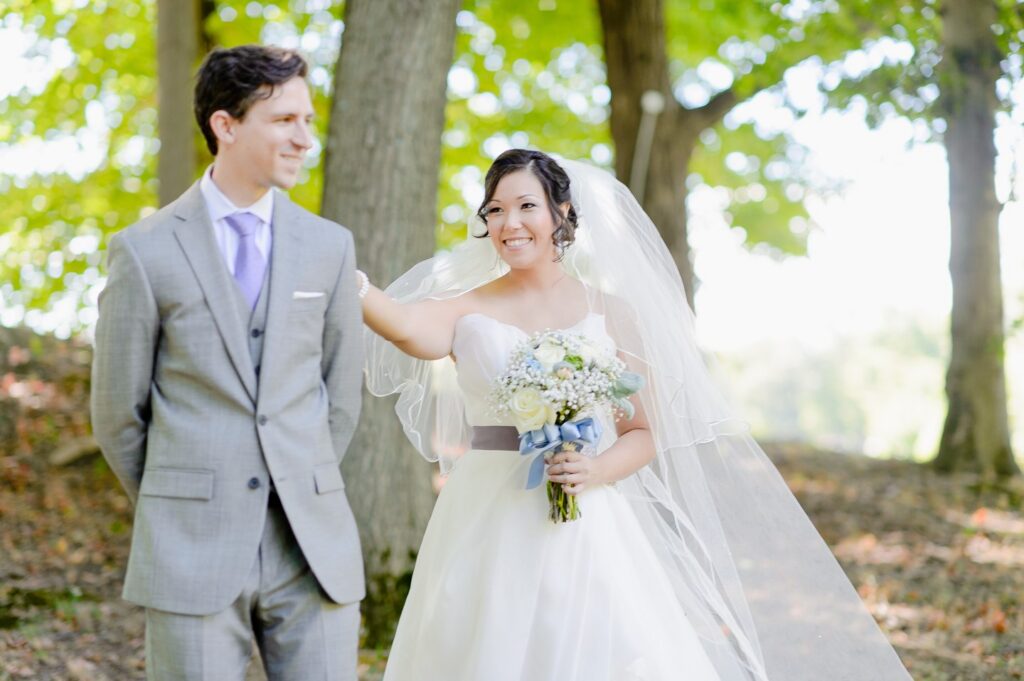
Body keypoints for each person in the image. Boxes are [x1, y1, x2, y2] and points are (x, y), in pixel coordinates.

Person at [358, 149, 913, 680]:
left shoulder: (610, 312)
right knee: (478, 643)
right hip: (484, 507)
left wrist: (596, 470)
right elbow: (406, 326)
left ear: (563, 212)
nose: (510, 223)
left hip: (587, 513)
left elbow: (646, 431)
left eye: (526, 205)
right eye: (496, 210)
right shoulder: (466, 305)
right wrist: (354, 286)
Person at [90, 45, 364, 681]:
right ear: (226, 124)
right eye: (284, 121)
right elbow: (116, 414)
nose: (304, 140)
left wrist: (301, 476)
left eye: (308, 121)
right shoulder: (144, 252)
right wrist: (178, 497)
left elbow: (342, 396)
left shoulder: (329, 247)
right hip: (190, 549)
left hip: (311, 548)